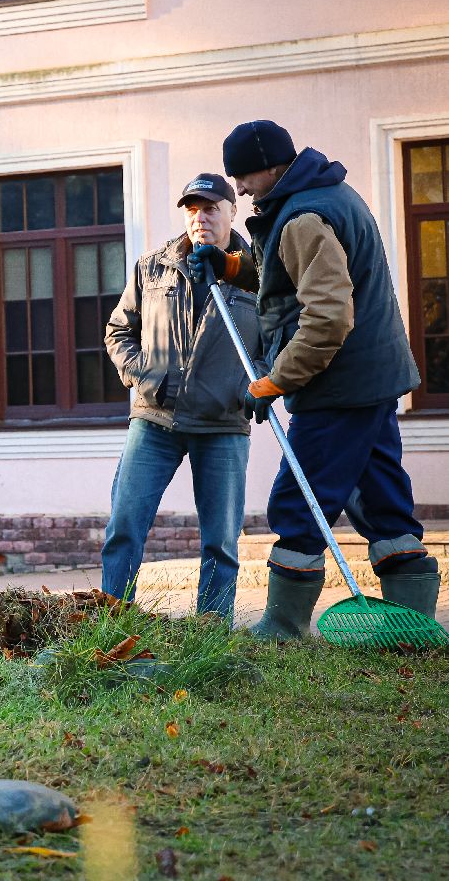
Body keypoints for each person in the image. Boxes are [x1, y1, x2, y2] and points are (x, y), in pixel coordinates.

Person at [192, 119, 440, 638]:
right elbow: (284, 275)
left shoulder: (305, 217)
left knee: (299, 500)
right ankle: (414, 625)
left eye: (241, 176)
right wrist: (232, 266)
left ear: (269, 166)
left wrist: (274, 381)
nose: (237, 188)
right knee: (381, 496)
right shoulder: (328, 195)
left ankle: (283, 627)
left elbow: (327, 317)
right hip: (369, 380)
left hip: (338, 385)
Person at [102, 173, 259, 622]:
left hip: (223, 423)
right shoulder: (153, 266)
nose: (200, 217)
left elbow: (279, 341)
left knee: (221, 539)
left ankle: (211, 634)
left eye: (210, 208)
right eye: (192, 209)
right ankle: (113, 625)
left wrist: (255, 386)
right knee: (125, 526)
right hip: (155, 420)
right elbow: (119, 331)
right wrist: (146, 378)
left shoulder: (259, 273)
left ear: (232, 210)